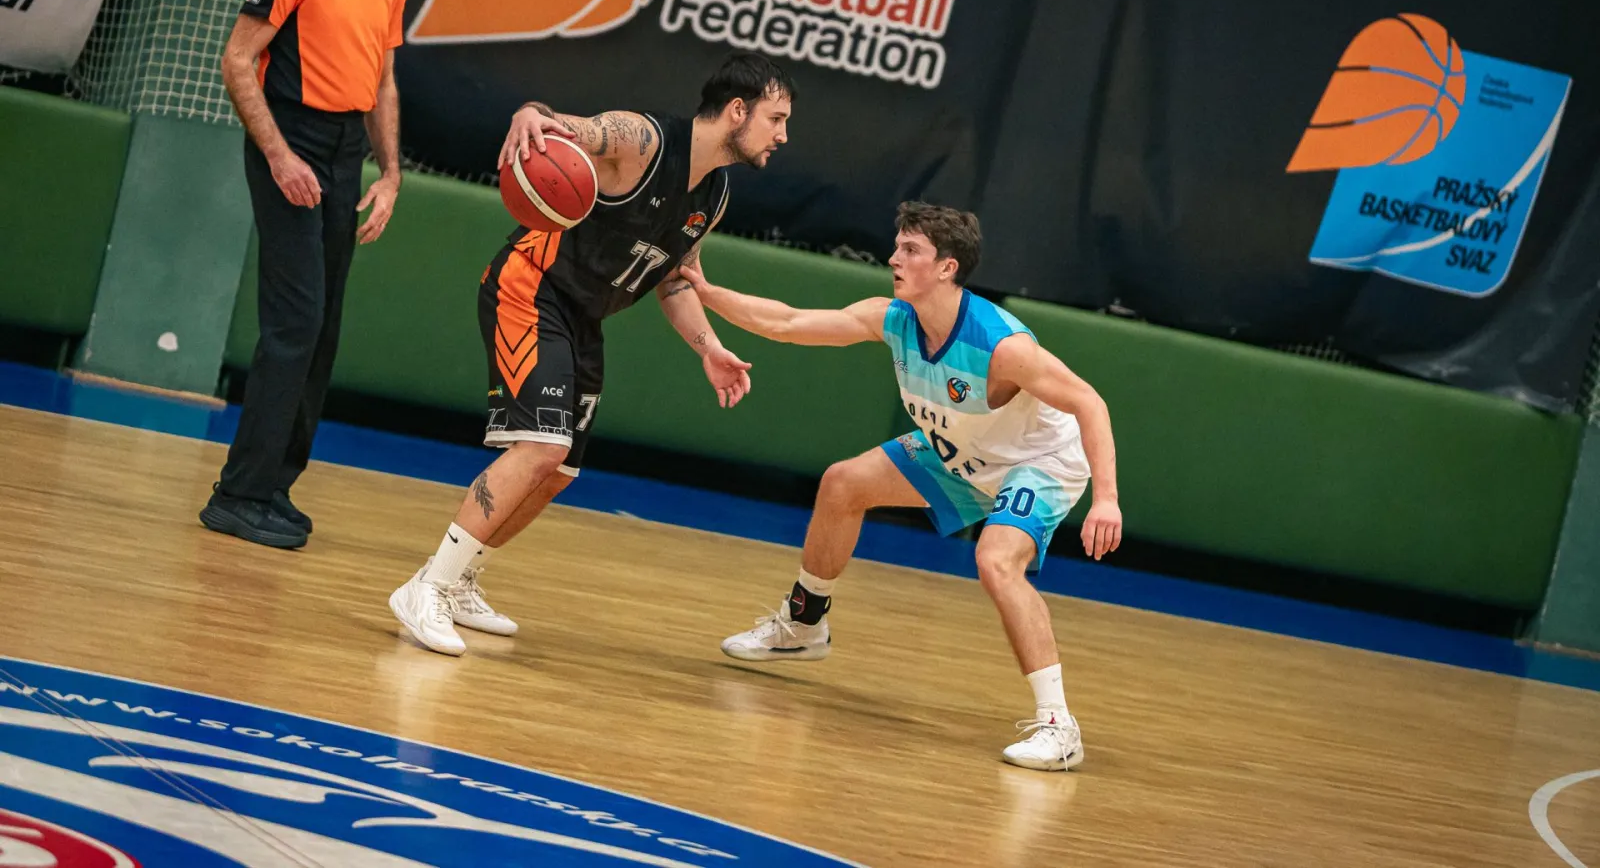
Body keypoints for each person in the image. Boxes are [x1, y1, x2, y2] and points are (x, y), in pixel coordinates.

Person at [681, 201, 1124, 771]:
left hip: (1037, 461)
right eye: (897, 246)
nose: (893, 258)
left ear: (946, 267)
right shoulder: (893, 318)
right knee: (844, 483)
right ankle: (804, 625)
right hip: (963, 446)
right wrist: (707, 292)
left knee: (995, 561)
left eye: (910, 250)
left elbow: (1090, 402)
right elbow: (787, 323)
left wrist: (1106, 499)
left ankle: (1059, 727)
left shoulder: (1001, 345)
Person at [388, 53, 796, 656]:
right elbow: (557, 125)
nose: (782, 135)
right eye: (776, 118)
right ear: (737, 110)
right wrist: (529, 112)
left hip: (584, 317)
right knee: (542, 446)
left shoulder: (715, 196)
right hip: (531, 287)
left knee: (558, 471)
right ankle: (427, 588)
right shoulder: (642, 141)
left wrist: (709, 348)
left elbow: (675, 281)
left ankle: (462, 576)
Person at [201, 0, 411, 550]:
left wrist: (390, 173)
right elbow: (238, 59)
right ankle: (237, 494)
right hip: (291, 140)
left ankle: (274, 485)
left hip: (347, 150)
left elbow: (382, 81)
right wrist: (280, 155)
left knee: (322, 330)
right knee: (294, 322)